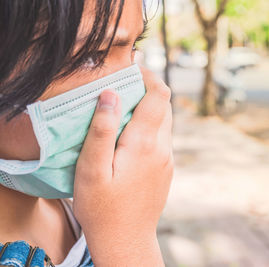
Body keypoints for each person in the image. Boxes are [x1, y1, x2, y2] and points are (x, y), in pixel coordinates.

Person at [0, 0, 173, 266]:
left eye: (133, 47)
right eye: (91, 57)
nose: (134, 91)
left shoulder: (71, 206)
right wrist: (129, 245)